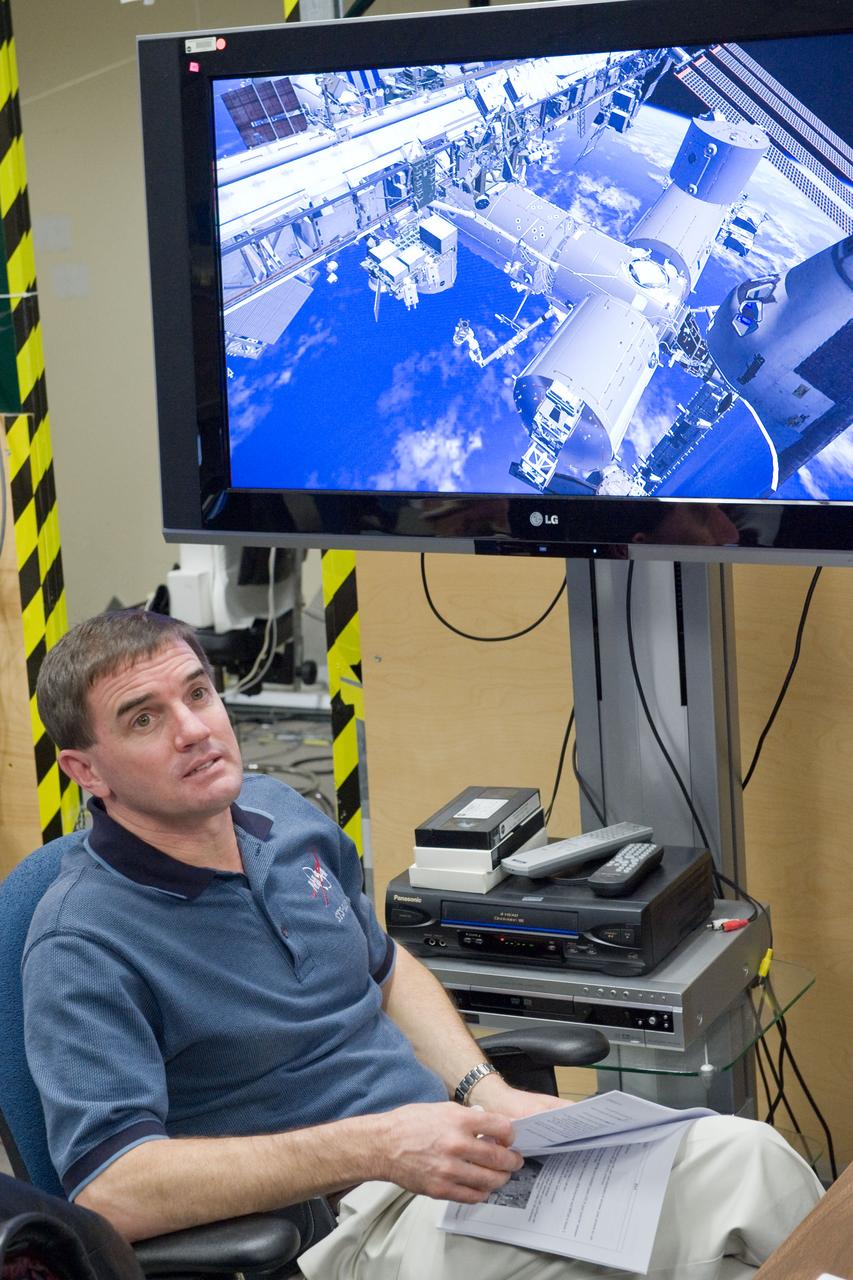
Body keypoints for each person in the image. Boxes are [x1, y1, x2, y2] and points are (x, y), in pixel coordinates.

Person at [22, 610, 822, 1280]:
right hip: (339, 1227)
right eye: (144, 718)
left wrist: (485, 1089)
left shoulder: (278, 815)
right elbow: (111, 1191)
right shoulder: (81, 941)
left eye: (198, 693)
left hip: (453, 1154)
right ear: (85, 770)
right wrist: (380, 1144)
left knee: (747, 1162)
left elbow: (383, 966)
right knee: (653, 1255)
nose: (194, 730)